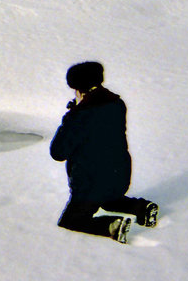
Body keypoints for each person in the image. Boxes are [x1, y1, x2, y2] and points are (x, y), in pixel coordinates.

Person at [49, 61, 158, 243]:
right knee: (108, 200)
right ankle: (143, 209)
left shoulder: (79, 116)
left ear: (79, 89)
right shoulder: (117, 104)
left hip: (90, 183)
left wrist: (71, 115)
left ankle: (112, 226)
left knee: (71, 221)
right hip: (120, 176)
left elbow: (58, 152)